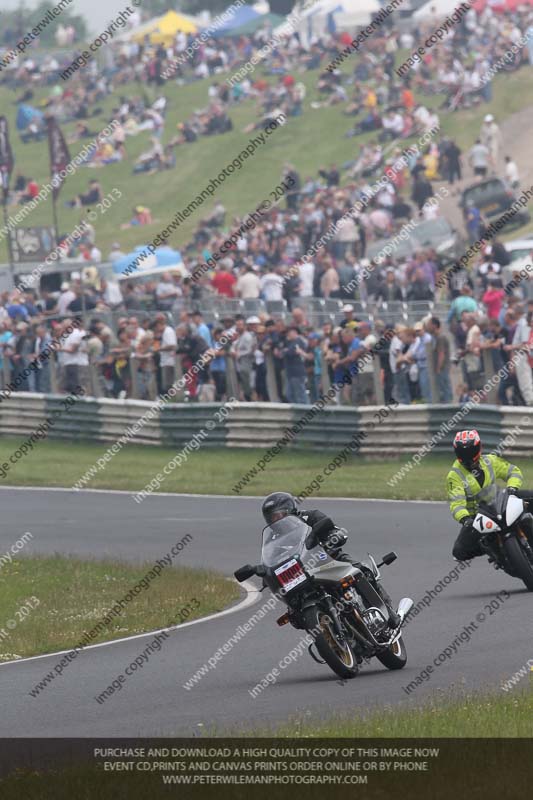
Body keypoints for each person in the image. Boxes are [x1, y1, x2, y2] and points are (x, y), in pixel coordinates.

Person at [260, 492, 400, 627]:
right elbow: (271, 557)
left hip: (331, 559)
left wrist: (335, 536)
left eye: (279, 515)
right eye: (272, 518)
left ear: (290, 509)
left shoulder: (310, 516)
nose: (276, 520)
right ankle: (330, 635)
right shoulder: (273, 538)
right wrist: (268, 574)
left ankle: (387, 610)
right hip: (304, 573)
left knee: (362, 571)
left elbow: (332, 529)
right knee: (294, 615)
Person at [447, 430, 530, 561]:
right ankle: (491, 549)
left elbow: (513, 471)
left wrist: (512, 488)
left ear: (479, 448)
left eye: (471, 450)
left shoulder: (490, 461)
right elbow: (456, 503)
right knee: (459, 552)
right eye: (463, 452)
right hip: (477, 516)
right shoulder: (455, 475)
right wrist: (465, 519)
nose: (467, 455)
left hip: (499, 502)